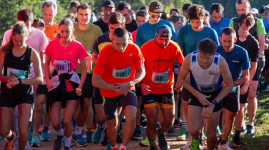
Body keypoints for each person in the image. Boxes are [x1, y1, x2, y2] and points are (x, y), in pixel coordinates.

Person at [2, 8, 49, 148]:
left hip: (24, 91)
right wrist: (8, 80)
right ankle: (11, 138)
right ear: (12, 37)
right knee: (4, 130)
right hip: (8, 91)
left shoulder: (31, 53)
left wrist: (21, 81)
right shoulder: (4, 50)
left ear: (26, 37)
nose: (18, 43)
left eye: (21, 41)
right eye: (15, 40)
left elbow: (40, 78)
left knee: (23, 130)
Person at [92, 27, 145, 150]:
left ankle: (123, 147)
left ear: (129, 40)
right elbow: (95, 80)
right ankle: (114, 146)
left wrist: (130, 82)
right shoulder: (105, 52)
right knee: (112, 124)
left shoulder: (134, 49)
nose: (121, 48)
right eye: (118, 44)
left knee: (131, 116)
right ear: (111, 39)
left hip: (128, 88)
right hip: (109, 91)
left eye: (124, 44)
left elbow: (142, 72)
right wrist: (114, 88)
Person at [178, 38, 233, 150]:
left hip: (215, 96)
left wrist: (213, 103)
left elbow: (229, 85)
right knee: (193, 130)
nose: (204, 61)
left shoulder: (220, 61)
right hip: (196, 92)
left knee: (211, 134)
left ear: (213, 54)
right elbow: (181, 78)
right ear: (198, 51)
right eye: (201, 57)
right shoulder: (190, 59)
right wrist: (198, 95)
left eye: (208, 58)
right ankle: (196, 141)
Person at [176, 5, 219, 149]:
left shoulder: (210, 32)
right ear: (189, 20)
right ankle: (191, 137)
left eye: (198, 21)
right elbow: (180, 53)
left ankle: (200, 136)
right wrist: (185, 72)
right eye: (193, 21)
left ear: (203, 19)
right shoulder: (183, 30)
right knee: (188, 105)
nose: (195, 24)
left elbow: (217, 55)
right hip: (188, 73)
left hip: (207, 74)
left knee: (203, 105)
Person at [44, 18, 88, 150]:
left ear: (72, 31)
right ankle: (60, 135)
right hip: (56, 83)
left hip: (71, 83)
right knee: (56, 122)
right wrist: (47, 80)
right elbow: (46, 64)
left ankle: (67, 145)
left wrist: (80, 86)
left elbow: (85, 70)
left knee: (67, 120)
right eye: (62, 32)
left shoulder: (78, 46)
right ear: (59, 31)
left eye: (67, 32)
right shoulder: (52, 44)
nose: (64, 34)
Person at [140, 25, 184, 150]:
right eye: (161, 39)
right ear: (156, 36)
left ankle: (161, 133)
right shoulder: (146, 47)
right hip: (149, 88)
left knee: (170, 121)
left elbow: (182, 63)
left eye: (167, 39)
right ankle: (153, 145)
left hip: (166, 88)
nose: (164, 42)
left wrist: (180, 80)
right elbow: (136, 66)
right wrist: (141, 83)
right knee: (151, 120)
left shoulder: (174, 46)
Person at [230, 0, 266, 137]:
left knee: (251, 93)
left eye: (243, 9)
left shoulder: (258, 22)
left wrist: (255, 58)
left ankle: (250, 123)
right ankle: (240, 124)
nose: (241, 12)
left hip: (254, 60)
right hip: (237, 62)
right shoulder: (233, 22)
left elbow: (261, 44)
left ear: (249, 8)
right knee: (238, 94)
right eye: (238, 10)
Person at [91, 12, 127, 145]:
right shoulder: (100, 39)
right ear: (108, 26)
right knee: (100, 117)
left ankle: (110, 135)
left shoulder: (128, 39)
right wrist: (100, 63)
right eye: (112, 28)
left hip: (119, 80)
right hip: (102, 80)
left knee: (114, 113)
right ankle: (101, 127)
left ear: (123, 26)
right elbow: (94, 56)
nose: (114, 31)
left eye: (117, 28)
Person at [72, 3, 102, 145]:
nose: (84, 17)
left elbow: (101, 51)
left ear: (90, 15)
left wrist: (93, 57)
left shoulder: (97, 30)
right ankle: (70, 131)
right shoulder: (70, 29)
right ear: (76, 15)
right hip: (72, 72)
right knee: (73, 104)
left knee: (85, 102)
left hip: (90, 72)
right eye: (81, 14)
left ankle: (78, 131)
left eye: (86, 14)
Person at [217, 27, 250, 149]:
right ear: (220, 39)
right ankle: (210, 139)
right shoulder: (216, 50)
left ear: (235, 39)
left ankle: (223, 142)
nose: (226, 44)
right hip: (216, 88)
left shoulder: (242, 52)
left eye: (229, 41)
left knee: (230, 117)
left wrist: (232, 84)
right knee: (212, 116)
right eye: (224, 41)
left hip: (233, 89)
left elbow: (246, 77)